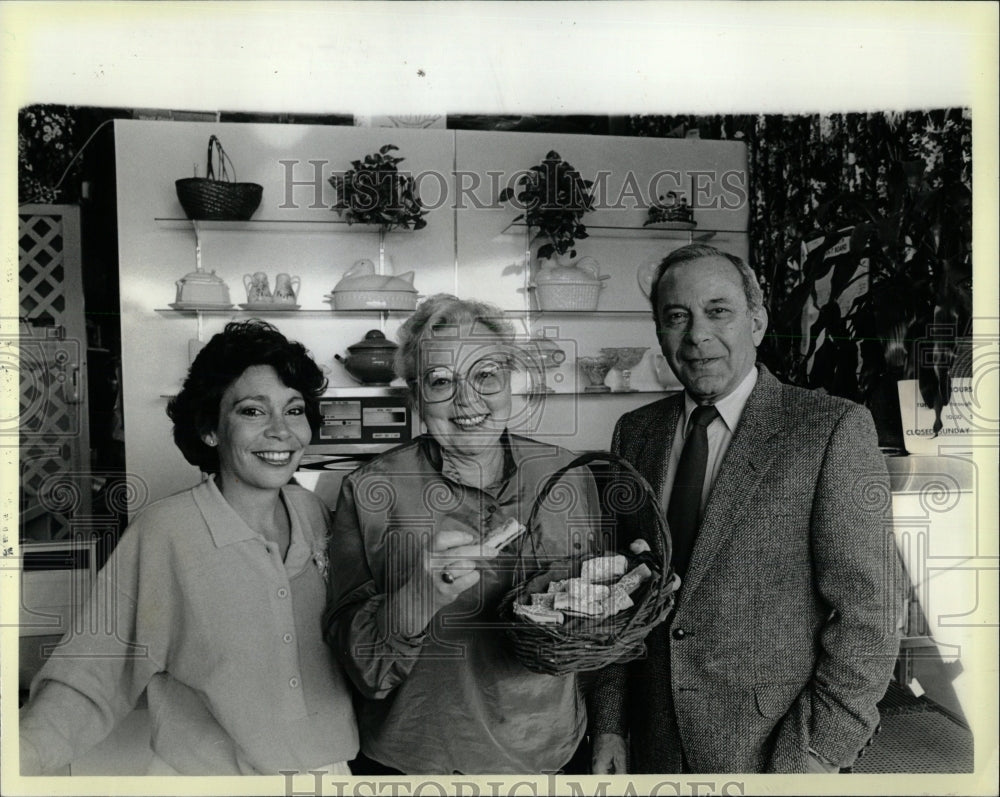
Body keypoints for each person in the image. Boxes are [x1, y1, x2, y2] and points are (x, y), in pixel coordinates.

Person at [590, 244, 903, 774]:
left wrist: (819, 751)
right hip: (651, 738)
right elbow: (620, 596)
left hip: (772, 748)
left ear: (756, 322)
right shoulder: (635, 433)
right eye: (676, 317)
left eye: (718, 311)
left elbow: (870, 613)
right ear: (659, 333)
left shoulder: (830, 429)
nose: (696, 336)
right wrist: (610, 724)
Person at [19, 320, 359, 775]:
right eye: (253, 412)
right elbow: (93, 671)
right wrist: (25, 753)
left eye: (294, 411)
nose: (281, 431)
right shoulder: (166, 531)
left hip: (326, 772)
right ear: (210, 430)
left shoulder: (316, 515)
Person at [323, 294, 600, 775]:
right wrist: (419, 594)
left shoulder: (567, 475)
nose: (468, 400)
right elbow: (362, 667)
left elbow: (598, 622)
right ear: (414, 397)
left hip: (551, 754)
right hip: (417, 760)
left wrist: (612, 727)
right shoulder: (371, 491)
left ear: (510, 384)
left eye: (486, 375)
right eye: (441, 382)